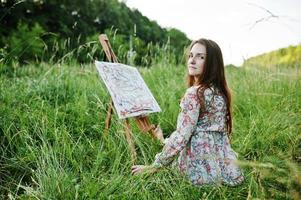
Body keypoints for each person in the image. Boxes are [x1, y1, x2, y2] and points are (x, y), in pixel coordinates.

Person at [131, 38, 244, 186]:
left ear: (212, 64)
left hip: (198, 168)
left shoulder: (194, 93)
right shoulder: (219, 93)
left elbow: (182, 136)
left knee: (176, 145)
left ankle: (162, 143)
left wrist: (154, 166)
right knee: (178, 137)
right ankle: (161, 139)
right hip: (223, 167)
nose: (192, 60)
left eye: (201, 57)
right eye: (191, 55)